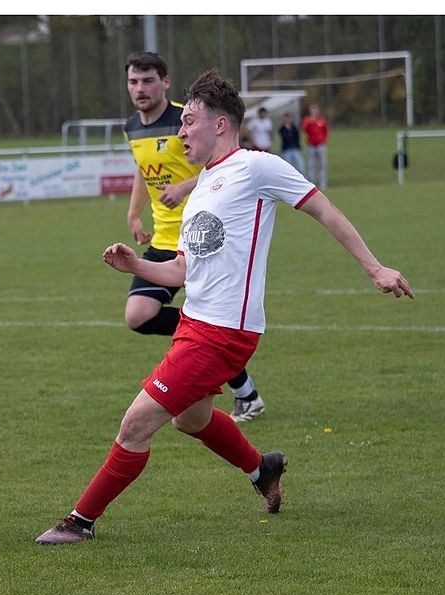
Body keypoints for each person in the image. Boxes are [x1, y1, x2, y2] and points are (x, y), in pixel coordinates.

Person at [36, 69, 413, 545]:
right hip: (195, 322)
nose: (180, 131)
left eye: (188, 121)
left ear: (219, 125)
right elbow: (181, 273)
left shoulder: (257, 166)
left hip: (224, 331)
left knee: (135, 424)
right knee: (189, 420)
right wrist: (135, 266)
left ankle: (80, 521)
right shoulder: (200, 190)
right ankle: (263, 470)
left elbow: (325, 210)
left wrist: (374, 268)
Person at [122, 51, 265, 423]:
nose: (140, 88)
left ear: (165, 82)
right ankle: (238, 384)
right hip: (163, 237)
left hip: (201, 237)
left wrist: (186, 186)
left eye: (148, 80)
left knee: (204, 326)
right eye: (134, 81)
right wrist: (134, 213)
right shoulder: (132, 127)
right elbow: (143, 170)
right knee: (138, 315)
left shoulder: (186, 118)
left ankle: (244, 394)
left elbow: (220, 162)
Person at [302, 104, 328, 188]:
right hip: (311, 146)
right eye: (312, 111)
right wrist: (311, 122)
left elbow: (325, 131)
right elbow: (305, 129)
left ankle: (323, 184)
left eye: (315, 110)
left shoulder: (322, 120)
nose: (314, 112)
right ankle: (312, 185)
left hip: (320, 145)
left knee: (322, 165)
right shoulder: (307, 120)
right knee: (310, 166)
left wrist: (323, 141)